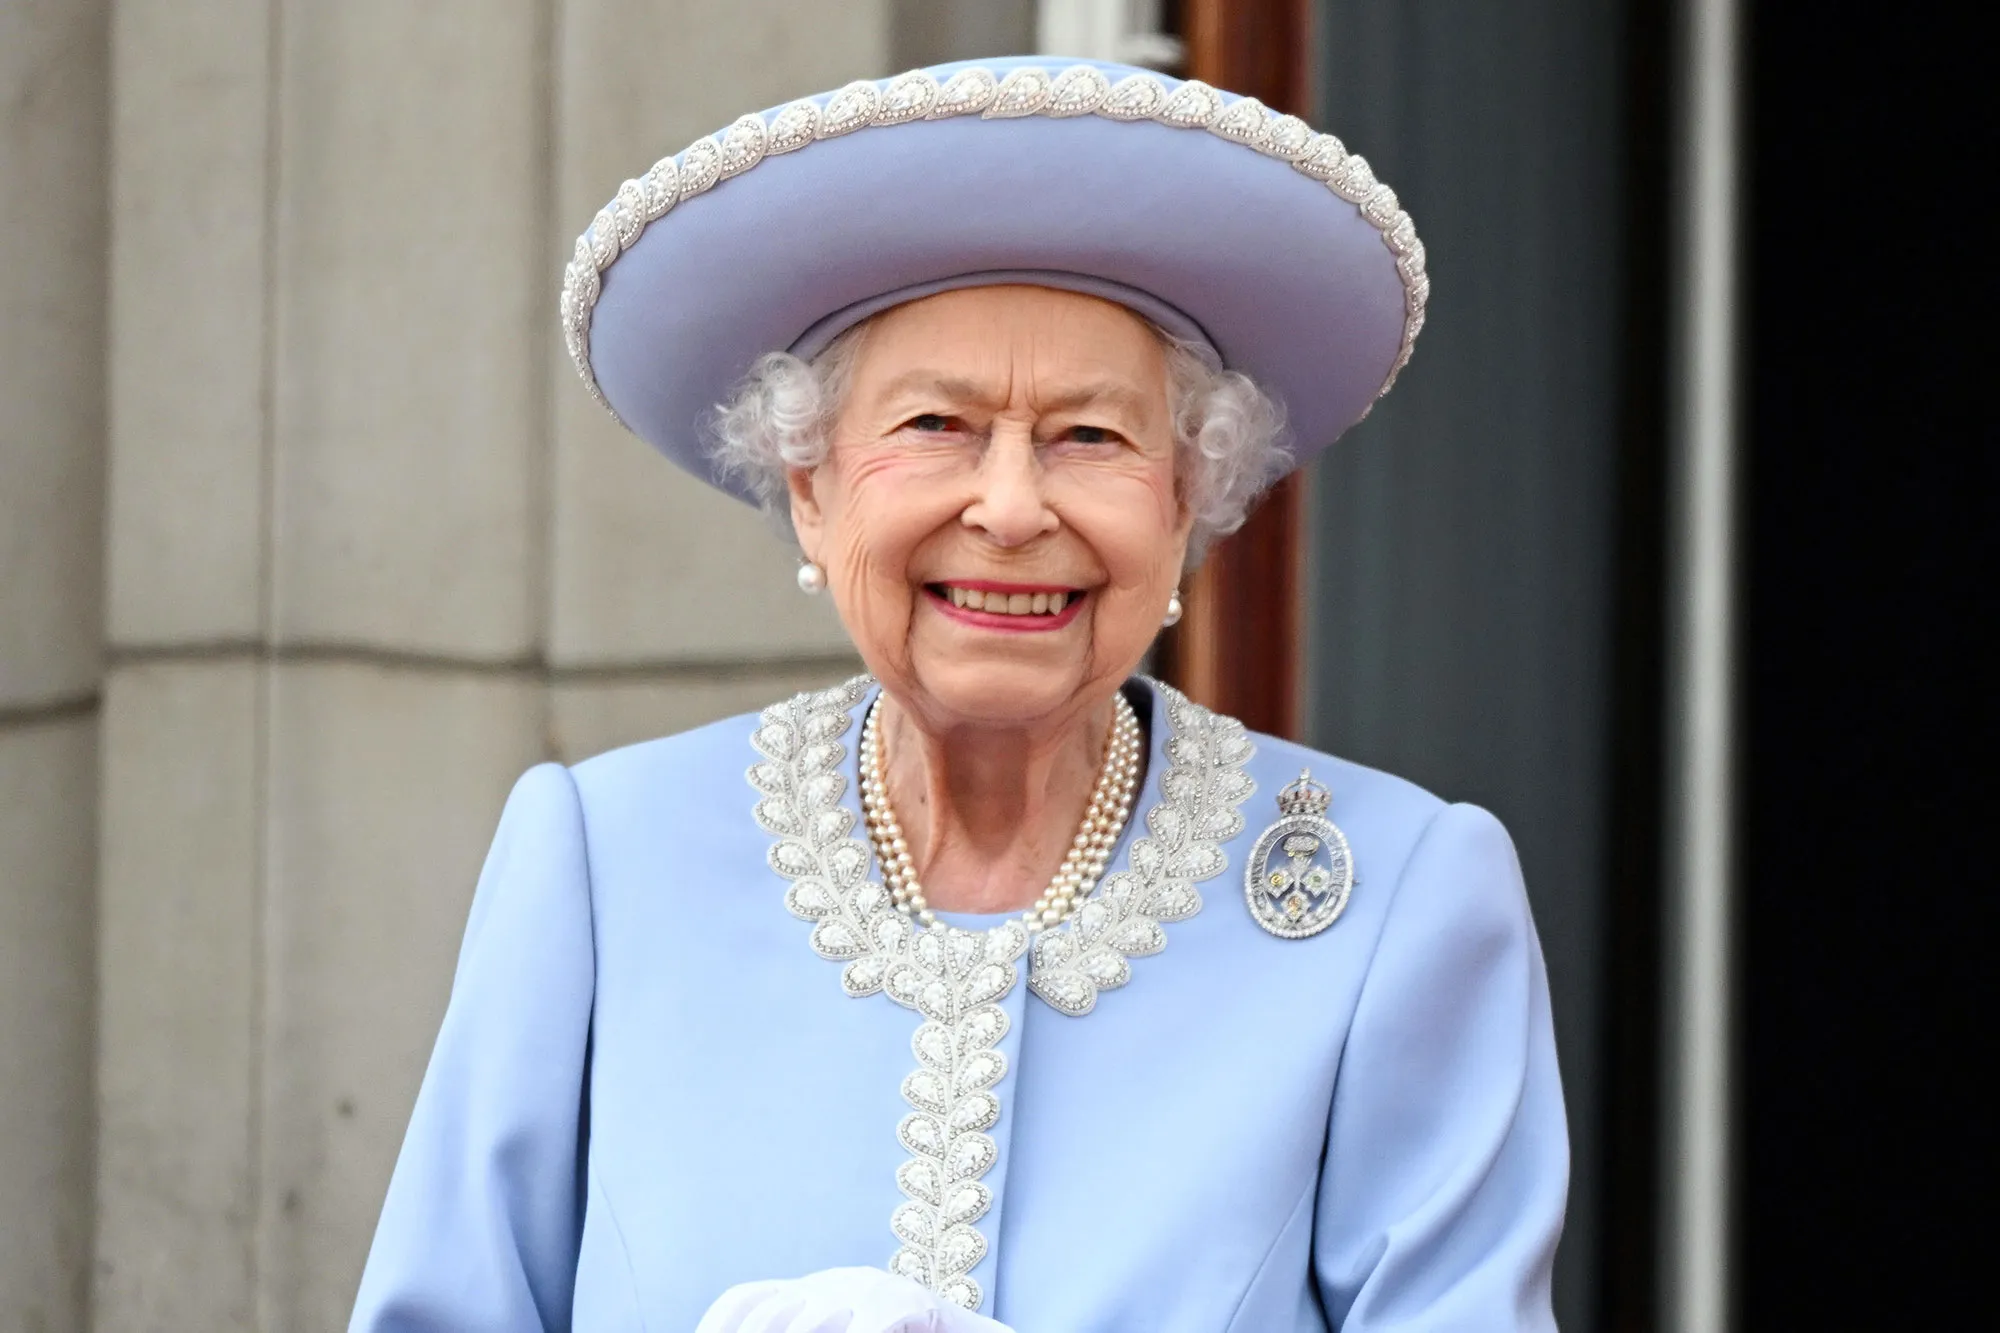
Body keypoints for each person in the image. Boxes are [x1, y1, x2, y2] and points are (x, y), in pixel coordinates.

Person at [351, 56, 1566, 1332]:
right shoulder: (602, 860)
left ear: (1184, 503)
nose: (1008, 506)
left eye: (1088, 437)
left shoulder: (1395, 902)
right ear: (811, 487)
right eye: (934, 425)